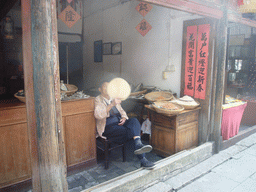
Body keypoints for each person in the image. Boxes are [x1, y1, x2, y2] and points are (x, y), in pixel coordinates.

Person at [94, 82, 155, 169]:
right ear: (99, 89)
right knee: (133, 131)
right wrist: (111, 104)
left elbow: (122, 111)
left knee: (134, 121)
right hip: (108, 127)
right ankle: (143, 159)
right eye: (104, 87)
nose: (107, 88)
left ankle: (138, 143)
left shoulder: (113, 98)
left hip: (119, 124)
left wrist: (124, 118)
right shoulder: (98, 99)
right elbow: (98, 115)